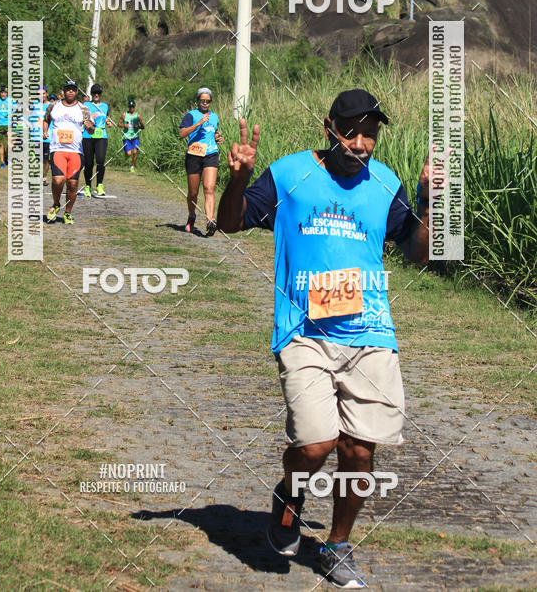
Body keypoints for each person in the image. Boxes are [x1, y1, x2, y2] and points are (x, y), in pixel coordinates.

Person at [217, 89, 432, 589]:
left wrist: (427, 200)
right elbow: (229, 222)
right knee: (315, 445)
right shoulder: (290, 174)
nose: (360, 143)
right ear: (328, 126)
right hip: (303, 331)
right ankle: (290, 493)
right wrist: (239, 178)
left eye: (370, 134)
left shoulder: (387, 184)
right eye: (350, 132)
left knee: (359, 451)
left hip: (370, 332)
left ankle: (337, 544)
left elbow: (419, 254)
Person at [43, 80, 95, 225]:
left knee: (72, 184)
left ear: (76, 91)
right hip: (58, 149)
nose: (70, 91)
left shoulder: (83, 109)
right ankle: (56, 204)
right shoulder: (54, 106)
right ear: (64, 91)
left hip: (75, 152)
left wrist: (89, 127)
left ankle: (67, 212)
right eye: (68, 89)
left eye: (73, 89)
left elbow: (92, 129)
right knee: (58, 180)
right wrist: (45, 131)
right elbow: (46, 119)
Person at [179, 87, 224, 236]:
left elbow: (213, 131)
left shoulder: (214, 116)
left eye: (208, 101)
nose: (205, 103)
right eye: (202, 101)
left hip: (211, 154)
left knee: (209, 188)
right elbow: (182, 134)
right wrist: (198, 123)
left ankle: (210, 220)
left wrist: (218, 137)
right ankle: (192, 216)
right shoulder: (191, 115)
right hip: (194, 155)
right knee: (193, 193)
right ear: (198, 101)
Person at [82, 83, 114, 197]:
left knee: (100, 160)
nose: (96, 95)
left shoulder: (105, 106)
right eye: (94, 93)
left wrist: (108, 122)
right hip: (88, 135)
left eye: (98, 93)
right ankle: (88, 186)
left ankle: (99, 185)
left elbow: (105, 117)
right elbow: (82, 118)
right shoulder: (86, 105)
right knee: (88, 162)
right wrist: (91, 117)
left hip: (101, 136)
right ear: (91, 94)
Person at [28, 86, 51, 186]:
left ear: (46, 94)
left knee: (46, 159)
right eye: (39, 94)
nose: (42, 96)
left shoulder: (51, 106)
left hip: (47, 137)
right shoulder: (33, 104)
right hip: (36, 136)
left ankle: (44, 178)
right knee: (36, 159)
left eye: (43, 93)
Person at [118, 98, 144, 172]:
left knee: (135, 152)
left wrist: (138, 126)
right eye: (130, 107)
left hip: (135, 137)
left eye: (132, 107)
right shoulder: (124, 115)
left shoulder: (138, 116)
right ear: (128, 107)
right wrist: (124, 125)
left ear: (135, 107)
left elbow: (143, 127)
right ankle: (126, 154)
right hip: (126, 137)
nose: (131, 108)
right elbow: (118, 124)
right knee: (129, 153)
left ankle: (132, 166)